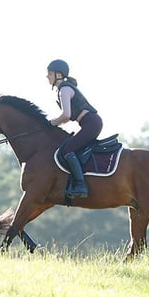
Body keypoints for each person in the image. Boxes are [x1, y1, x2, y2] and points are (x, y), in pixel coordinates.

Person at [47, 59, 103, 198]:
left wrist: (51, 123)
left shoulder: (64, 89)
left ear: (58, 75)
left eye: (50, 73)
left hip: (91, 123)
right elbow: (66, 117)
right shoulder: (65, 88)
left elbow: (66, 115)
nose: (47, 76)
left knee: (66, 150)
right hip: (90, 123)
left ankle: (80, 185)